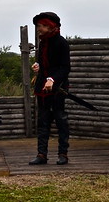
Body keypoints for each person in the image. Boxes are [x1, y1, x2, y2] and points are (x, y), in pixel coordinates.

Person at [29, 11, 71, 166]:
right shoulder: (43, 42)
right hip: (43, 89)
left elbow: (65, 67)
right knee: (43, 121)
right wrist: (38, 66)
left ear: (50, 26)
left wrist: (52, 79)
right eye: (38, 25)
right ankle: (41, 155)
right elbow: (45, 62)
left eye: (41, 25)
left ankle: (63, 154)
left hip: (58, 88)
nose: (39, 28)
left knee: (61, 120)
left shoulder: (61, 43)